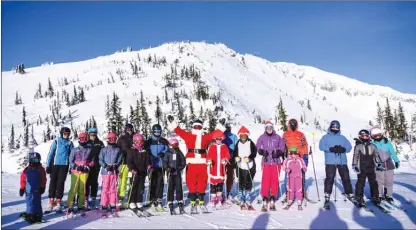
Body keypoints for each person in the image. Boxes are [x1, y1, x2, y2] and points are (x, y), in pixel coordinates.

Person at [167, 115, 224, 212]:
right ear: (193, 127)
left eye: (199, 127)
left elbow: (214, 134)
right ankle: (193, 200)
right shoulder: (188, 135)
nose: (197, 128)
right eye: (196, 127)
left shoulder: (205, 137)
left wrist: (220, 125)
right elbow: (178, 131)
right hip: (192, 162)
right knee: (191, 182)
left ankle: (201, 201)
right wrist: (173, 123)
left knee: (202, 182)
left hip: (202, 163)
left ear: (201, 127)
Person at [319, 120, 354, 208]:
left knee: (346, 178)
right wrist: (330, 149)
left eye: (336, 127)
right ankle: (327, 194)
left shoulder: (342, 138)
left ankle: (349, 193)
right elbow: (321, 146)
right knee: (330, 178)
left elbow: (349, 147)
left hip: (342, 161)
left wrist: (343, 149)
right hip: (330, 161)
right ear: (330, 127)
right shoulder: (325, 137)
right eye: (333, 127)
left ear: (339, 128)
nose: (335, 129)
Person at [256, 121, 286, 211]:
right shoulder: (262, 137)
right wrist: (261, 151)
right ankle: (265, 197)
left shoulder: (278, 137)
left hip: (276, 162)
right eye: (267, 127)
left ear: (272, 128)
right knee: (265, 180)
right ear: (265, 128)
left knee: (274, 180)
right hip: (266, 162)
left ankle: (273, 196)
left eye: (271, 127)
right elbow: (258, 146)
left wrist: (279, 153)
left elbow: (282, 147)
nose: (269, 129)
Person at [352, 129, 384, 207]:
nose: (365, 137)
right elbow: (355, 156)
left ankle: (375, 197)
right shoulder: (358, 146)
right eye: (363, 136)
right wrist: (355, 165)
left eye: (366, 136)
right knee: (360, 183)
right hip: (361, 168)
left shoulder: (373, 146)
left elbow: (376, 156)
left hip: (371, 167)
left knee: (373, 183)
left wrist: (379, 164)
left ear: (369, 136)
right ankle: (359, 197)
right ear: (360, 137)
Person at [65, 132, 94, 217]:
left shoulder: (89, 149)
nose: (83, 140)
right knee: (74, 188)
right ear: (79, 139)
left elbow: (92, 160)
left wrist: (88, 166)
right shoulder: (75, 149)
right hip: (76, 172)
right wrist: (75, 167)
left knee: (82, 189)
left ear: (87, 139)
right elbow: (70, 160)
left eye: (84, 139)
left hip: (84, 171)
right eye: (81, 139)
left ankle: (80, 205)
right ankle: (70, 204)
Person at [45, 126, 74, 212]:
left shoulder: (69, 143)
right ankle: (51, 200)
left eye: (68, 134)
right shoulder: (56, 142)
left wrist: (71, 166)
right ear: (62, 133)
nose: (66, 135)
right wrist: (48, 165)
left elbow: (72, 156)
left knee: (60, 183)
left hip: (64, 166)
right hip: (55, 165)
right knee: (53, 182)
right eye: (65, 134)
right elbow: (50, 154)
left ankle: (58, 201)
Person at [370, 127, 400, 203]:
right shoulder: (372, 144)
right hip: (379, 165)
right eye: (375, 136)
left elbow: (393, 152)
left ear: (381, 135)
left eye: (378, 135)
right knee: (379, 181)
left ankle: (388, 195)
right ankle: (379, 195)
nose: (377, 137)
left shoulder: (387, 142)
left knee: (389, 181)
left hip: (389, 164)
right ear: (372, 136)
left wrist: (396, 161)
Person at [282, 119, 309, 203]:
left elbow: (305, 145)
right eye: (291, 124)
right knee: (288, 176)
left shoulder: (301, 134)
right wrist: (283, 156)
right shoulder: (285, 134)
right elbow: (282, 145)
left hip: (299, 158)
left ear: (296, 125)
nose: (293, 125)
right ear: (289, 125)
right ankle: (288, 194)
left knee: (301, 176)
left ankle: (302, 193)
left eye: (294, 124)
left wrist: (305, 157)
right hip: (289, 159)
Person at [144, 124, 169, 211]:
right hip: (152, 165)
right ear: (153, 131)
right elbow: (145, 151)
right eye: (156, 131)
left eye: (159, 131)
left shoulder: (163, 141)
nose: (157, 133)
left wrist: (163, 153)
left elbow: (167, 149)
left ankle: (159, 200)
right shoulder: (149, 141)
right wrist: (150, 157)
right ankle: (152, 200)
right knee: (153, 183)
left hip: (161, 165)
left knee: (160, 183)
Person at [232, 125, 257, 210]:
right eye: (241, 135)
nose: (243, 137)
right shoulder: (238, 143)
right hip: (240, 165)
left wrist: (249, 158)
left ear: (247, 135)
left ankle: (248, 199)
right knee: (241, 182)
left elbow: (254, 152)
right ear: (239, 135)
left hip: (249, 165)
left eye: (244, 135)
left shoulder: (250, 142)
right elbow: (234, 153)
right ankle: (241, 199)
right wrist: (236, 157)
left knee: (248, 182)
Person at [99, 132, 122, 217]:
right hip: (106, 171)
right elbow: (100, 160)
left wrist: (116, 166)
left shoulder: (117, 149)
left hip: (114, 171)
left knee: (113, 188)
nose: (112, 141)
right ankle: (104, 204)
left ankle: (112, 203)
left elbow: (120, 159)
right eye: (111, 139)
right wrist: (105, 166)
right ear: (108, 140)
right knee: (105, 188)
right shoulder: (104, 150)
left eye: (114, 139)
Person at [19, 152, 47, 224]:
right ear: (30, 160)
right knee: (30, 203)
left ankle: (38, 215)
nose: (35, 162)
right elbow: (23, 179)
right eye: (33, 160)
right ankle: (30, 215)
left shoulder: (41, 169)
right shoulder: (27, 170)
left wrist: (42, 187)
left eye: (37, 160)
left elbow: (43, 179)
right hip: (29, 191)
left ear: (39, 160)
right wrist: (22, 188)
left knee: (37, 203)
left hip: (37, 190)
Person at [207, 130, 230, 209]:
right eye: (217, 139)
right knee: (213, 184)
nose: (218, 140)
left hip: (220, 169)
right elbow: (208, 156)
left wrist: (225, 160)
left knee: (220, 184)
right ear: (215, 139)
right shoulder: (212, 147)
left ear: (222, 139)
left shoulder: (224, 146)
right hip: (213, 169)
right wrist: (209, 161)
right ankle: (213, 198)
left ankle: (219, 199)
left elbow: (227, 155)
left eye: (220, 139)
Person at [126, 133, 150, 213]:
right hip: (134, 172)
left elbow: (147, 160)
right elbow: (129, 162)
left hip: (142, 172)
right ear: (134, 142)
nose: (139, 144)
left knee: (141, 187)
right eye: (138, 142)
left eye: (141, 142)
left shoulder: (144, 150)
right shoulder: (131, 150)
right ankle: (132, 201)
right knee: (133, 187)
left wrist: (149, 165)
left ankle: (139, 201)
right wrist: (132, 169)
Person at [163, 138, 186, 214]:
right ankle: (170, 201)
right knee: (170, 188)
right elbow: (165, 162)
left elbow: (183, 161)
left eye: (177, 145)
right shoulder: (168, 153)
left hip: (177, 173)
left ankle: (180, 201)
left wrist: (180, 167)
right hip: (171, 173)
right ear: (171, 145)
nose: (176, 146)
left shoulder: (179, 152)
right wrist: (168, 169)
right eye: (174, 145)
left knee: (179, 187)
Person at [85, 127, 105, 210]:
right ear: (89, 134)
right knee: (86, 181)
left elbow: (103, 152)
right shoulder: (86, 142)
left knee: (94, 181)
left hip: (96, 164)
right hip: (87, 165)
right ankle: (86, 197)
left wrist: (102, 162)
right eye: (91, 134)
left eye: (94, 134)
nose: (92, 136)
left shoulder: (99, 143)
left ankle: (93, 197)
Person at [282, 146, 307, 210]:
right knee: (290, 188)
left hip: (299, 176)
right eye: (292, 153)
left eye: (295, 153)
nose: (293, 154)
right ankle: (290, 199)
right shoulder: (287, 160)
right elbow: (284, 166)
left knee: (299, 189)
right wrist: (286, 169)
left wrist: (304, 169)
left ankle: (299, 200)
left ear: (297, 153)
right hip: (290, 177)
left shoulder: (300, 159)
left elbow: (304, 166)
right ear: (290, 153)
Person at [116, 124, 135, 206]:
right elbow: (117, 149)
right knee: (123, 180)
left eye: (131, 129)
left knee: (133, 181)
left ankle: (132, 197)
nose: (129, 131)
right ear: (125, 130)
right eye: (128, 129)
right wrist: (120, 155)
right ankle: (121, 196)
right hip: (124, 162)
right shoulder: (122, 138)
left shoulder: (135, 137)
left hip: (134, 162)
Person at [222, 121, 238, 203]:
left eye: (229, 127)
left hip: (231, 158)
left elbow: (236, 147)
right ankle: (223, 191)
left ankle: (228, 191)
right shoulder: (222, 136)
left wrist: (235, 156)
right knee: (223, 175)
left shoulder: (234, 136)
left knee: (230, 175)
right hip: (224, 158)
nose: (228, 129)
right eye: (227, 127)